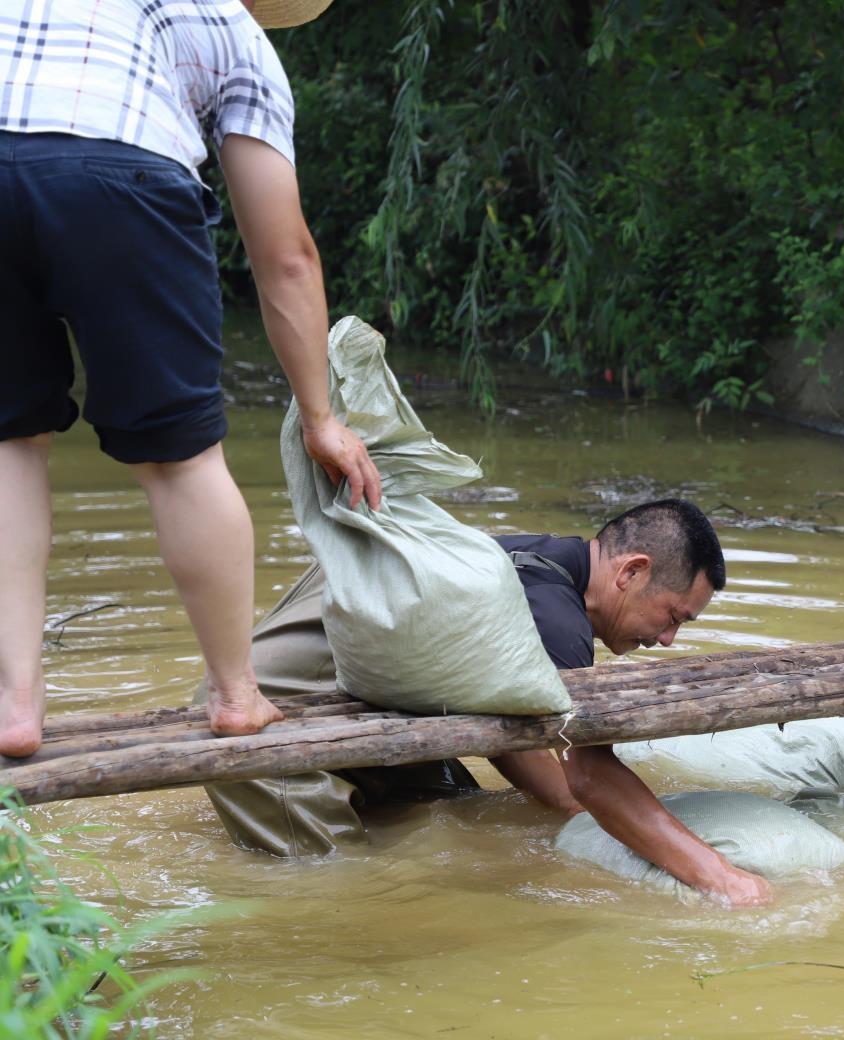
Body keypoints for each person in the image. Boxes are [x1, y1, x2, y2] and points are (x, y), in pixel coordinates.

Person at [0, 0, 382, 759]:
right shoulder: (228, 26)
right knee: (181, 460)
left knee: (7, 443)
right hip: (122, 177)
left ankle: (14, 705)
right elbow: (286, 256)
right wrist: (319, 416)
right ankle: (237, 695)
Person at [201, 499, 774, 908]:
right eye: (673, 617)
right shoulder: (557, 617)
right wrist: (723, 879)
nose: (669, 640)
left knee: (456, 808)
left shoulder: (540, 565)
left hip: (366, 716)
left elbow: (512, 728)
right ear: (632, 572)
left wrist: (571, 812)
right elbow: (592, 773)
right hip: (273, 743)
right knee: (349, 897)